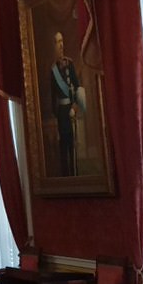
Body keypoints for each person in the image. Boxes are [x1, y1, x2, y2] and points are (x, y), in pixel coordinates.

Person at [50, 32, 84, 176]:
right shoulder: (53, 70)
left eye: (62, 41)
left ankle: (75, 173)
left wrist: (75, 107)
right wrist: (57, 114)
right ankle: (66, 175)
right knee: (63, 144)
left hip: (71, 109)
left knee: (72, 145)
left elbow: (77, 86)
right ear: (54, 46)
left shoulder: (70, 64)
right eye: (58, 42)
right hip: (62, 112)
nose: (61, 45)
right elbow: (52, 95)